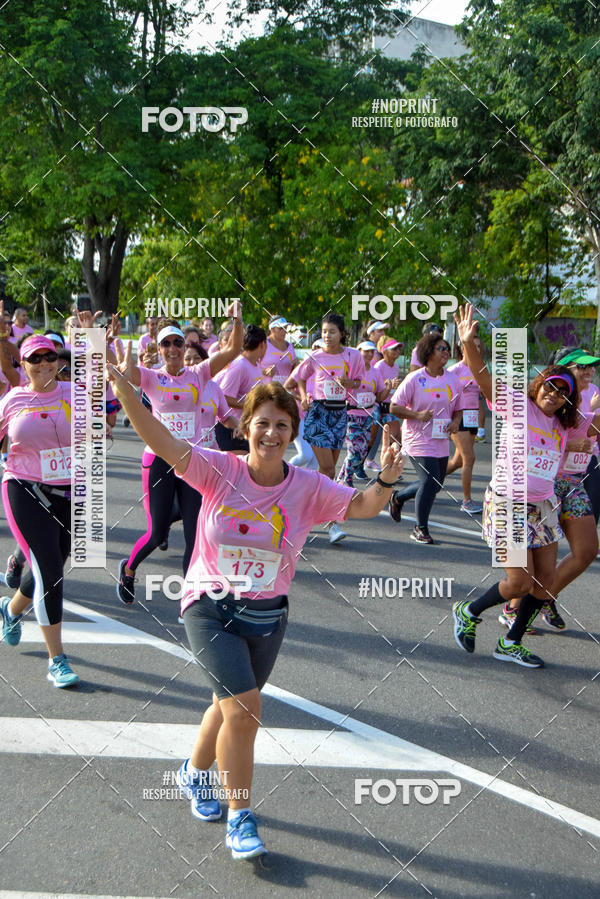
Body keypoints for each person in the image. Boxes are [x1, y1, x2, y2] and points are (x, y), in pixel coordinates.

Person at [107, 353, 404, 860]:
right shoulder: (217, 469)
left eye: (282, 425)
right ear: (246, 427)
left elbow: (360, 507)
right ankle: (240, 816)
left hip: (268, 613)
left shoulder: (307, 486)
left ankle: (192, 771)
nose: (271, 433)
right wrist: (128, 396)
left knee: (229, 708)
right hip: (208, 603)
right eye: (262, 423)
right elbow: (162, 441)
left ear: (293, 434)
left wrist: (386, 480)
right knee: (245, 709)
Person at [451, 303, 579, 669]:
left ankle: (510, 642)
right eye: (549, 388)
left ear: (567, 400)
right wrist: (469, 344)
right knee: (519, 582)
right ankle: (469, 610)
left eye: (561, 392)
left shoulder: (562, 426)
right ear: (538, 386)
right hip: (507, 503)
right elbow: (482, 377)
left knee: (545, 582)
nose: (553, 395)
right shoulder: (517, 404)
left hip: (543, 507)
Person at [115, 305, 243, 604]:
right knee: (157, 533)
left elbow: (235, 348)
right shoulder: (150, 377)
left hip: (192, 459)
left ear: (184, 345)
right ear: (158, 348)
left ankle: (191, 597)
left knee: (194, 534)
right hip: (158, 460)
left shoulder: (199, 374)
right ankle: (129, 569)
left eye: (177, 342)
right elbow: (122, 373)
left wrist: (236, 318)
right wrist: (114, 350)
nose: (172, 349)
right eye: (166, 343)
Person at [499, 347, 600, 633]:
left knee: (587, 550)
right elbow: (540, 436)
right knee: (533, 558)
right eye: (581, 367)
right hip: (544, 483)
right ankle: (517, 606)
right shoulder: (549, 400)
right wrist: (571, 444)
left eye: (591, 367)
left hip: (573, 480)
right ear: (563, 369)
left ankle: (543, 598)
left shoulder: (589, 397)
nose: (588, 371)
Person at [0, 336, 78, 687]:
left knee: (52, 565)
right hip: (23, 487)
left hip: (68, 492)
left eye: (50, 356)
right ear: (24, 365)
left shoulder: (75, 394)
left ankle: (10, 610)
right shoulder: (13, 400)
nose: (45, 363)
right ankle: (56, 660)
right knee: (50, 572)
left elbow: (114, 385)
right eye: (36, 358)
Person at [286, 313, 365, 544]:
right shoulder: (315, 356)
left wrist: (349, 383)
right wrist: (303, 397)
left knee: (327, 473)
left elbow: (359, 380)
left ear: (342, 333)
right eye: (323, 332)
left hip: (340, 413)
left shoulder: (353, 355)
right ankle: (331, 523)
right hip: (318, 414)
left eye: (332, 331)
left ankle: (300, 502)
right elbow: (298, 379)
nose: (327, 336)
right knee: (329, 470)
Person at [388, 332, 464, 544]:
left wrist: (456, 422)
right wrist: (417, 415)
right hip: (417, 439)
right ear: (428, 352)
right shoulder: (415, 379)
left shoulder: (452, 379)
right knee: (430, 481)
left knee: (435, 484)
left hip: (440, 439)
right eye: (441, 348)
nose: (446, 352)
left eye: (447, 349)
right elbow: (394, 407)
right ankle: (420, 528)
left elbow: (459, 409)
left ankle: (398, 497)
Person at [337, 340, 389, 487]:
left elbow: (379, 396)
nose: (369, 354)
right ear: (358, 352)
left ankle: (340, 478)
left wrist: (388, 388)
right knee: (354, 450)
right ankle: (347, 480)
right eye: (365, 351)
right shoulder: (350, 369)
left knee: (361, 452)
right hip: (351, 414)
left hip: (368, 416)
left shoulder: (375, 371)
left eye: (371, 351)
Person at [213, 324, 268, 454]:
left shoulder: (255, 364)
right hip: (232, 429)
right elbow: (223, 397)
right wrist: (248, 405)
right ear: (262, 344)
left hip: (248, 427)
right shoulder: (239, 365)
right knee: (238, 471)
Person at [446, 337, 485, 514]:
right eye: (471, 346)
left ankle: (427, 483)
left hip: (472, 417)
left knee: (457, 461)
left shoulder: (480, 370)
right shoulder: (454, 370)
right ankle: (467, 501)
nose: (475, 349)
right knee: (469, 458)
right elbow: (444, 395)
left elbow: (482, 399)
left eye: (478, 347)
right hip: (458, 417)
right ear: (463, 348)